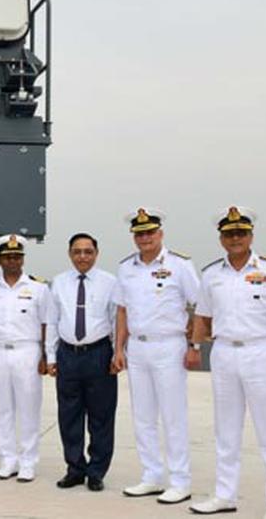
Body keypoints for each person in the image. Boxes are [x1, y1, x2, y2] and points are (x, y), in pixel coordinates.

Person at [188, 206, 266, 519]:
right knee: (226, 429)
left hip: (261, 352)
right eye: (229, 233)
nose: (235, 238)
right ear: (221, 238)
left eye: (241, 232)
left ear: (251, 235)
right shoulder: (212, 274)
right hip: (224, 353)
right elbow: (203, 315)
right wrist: (195, 345)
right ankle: (225, 494)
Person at [111, 207, 199, 505]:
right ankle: (151, 476)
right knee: (143, 416)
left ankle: (180, 480)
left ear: (160, 234)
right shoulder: (126, 268)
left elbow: (199, 306)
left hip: (169, 345)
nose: (145, 238)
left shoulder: (180, 265)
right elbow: (122, 311)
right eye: (139, 233)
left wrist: (194, 345)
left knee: (173, 416)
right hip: (138, 347)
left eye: (150, 232)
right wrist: (118, 349)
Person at [45, 232, 118, 492]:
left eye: (88, 251)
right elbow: (52, 321)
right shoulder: (59, 282)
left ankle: (96, 471)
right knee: (69, 416)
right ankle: (75, 469)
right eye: (77, 251)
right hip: (68, 354)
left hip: (99, 354)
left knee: (101, 417)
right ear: (70, 254)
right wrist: (51, 357)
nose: (82, 256)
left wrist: (118, 353)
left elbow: (117, 320)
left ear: (96, 254)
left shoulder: (110, 282)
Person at [0, 234, 50, 482]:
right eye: (7, 257)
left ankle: (28, 461)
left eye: (17, 257)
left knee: (29, 409)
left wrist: (46, 355)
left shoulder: (39, 288)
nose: (12, 261)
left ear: (23, 259)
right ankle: (7, 460)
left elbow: (46, 324)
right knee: (3, 409)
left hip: (28, 351)